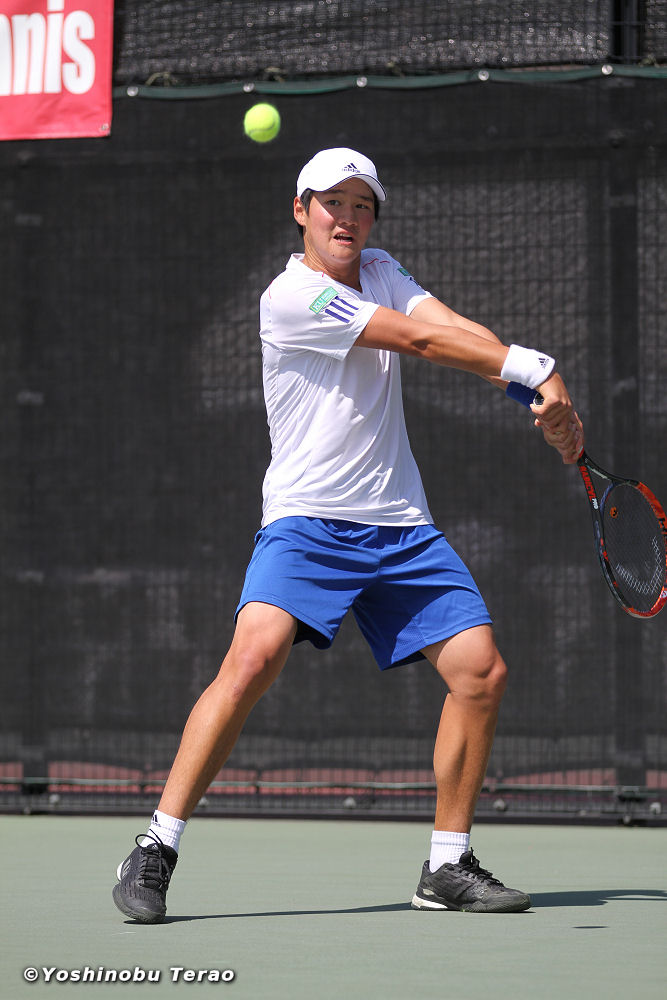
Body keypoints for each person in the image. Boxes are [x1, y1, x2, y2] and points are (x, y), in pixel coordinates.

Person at [113, 147, 583, 922]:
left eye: (363, 205)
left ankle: (447, 865)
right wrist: (535, 368)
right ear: (301, 210)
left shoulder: (380, 269)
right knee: (252, 659)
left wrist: (534, 385)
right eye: (333, 202)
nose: (348, 218)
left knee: (479, 672)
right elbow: (419, 343)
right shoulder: (291, 297)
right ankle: (155, 846)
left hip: (399, 524)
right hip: (307, 520)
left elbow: (451, 327)